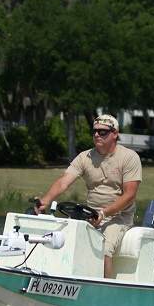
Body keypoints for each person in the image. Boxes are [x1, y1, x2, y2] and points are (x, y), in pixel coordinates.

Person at [35, 114, 142, 278]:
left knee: (104, 249)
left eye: (103, 131)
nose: (97, 135)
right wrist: (45, 201)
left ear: (115, 134)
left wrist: (103, 213)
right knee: (60, 240)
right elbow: (64, 182)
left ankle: (105, 292)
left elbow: (129, 196)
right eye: (94, 131)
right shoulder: (85, 157)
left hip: (118, 217)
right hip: (89, 215)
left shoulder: (129, 157)